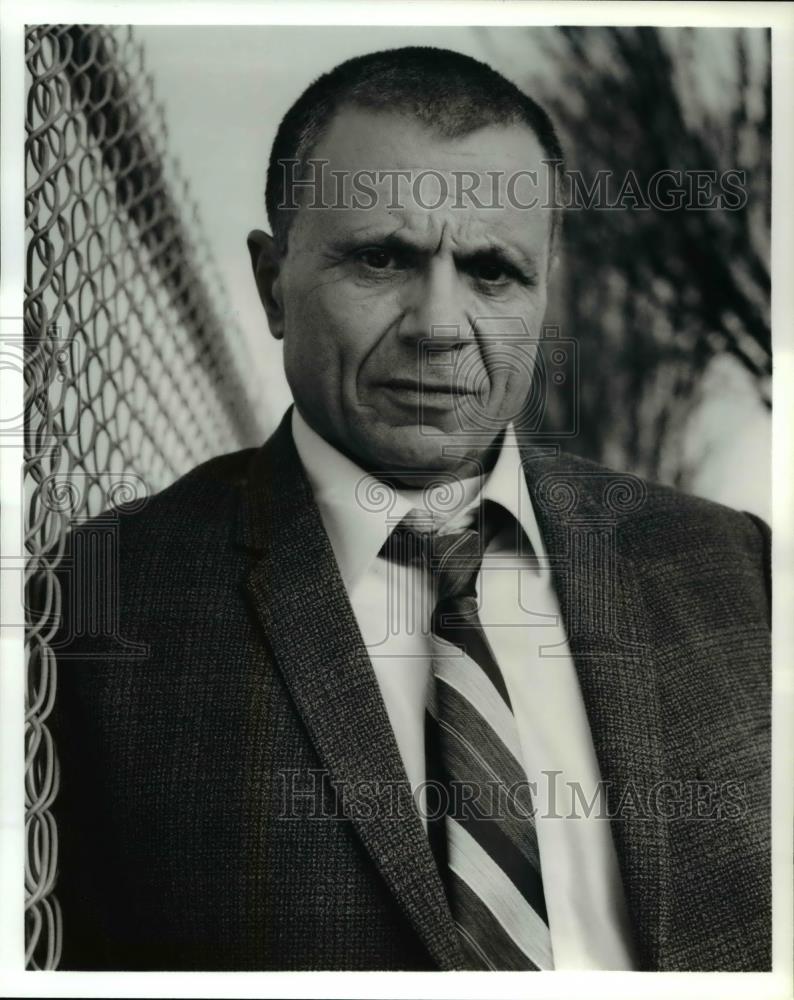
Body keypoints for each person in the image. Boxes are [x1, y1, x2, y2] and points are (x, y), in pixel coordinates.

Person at [49, 46, 771, 972]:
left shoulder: (734, 569)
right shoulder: (88, 612)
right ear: (274, 284)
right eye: (382, 258)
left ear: (547, 292)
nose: (438, 323)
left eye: (493, 272)